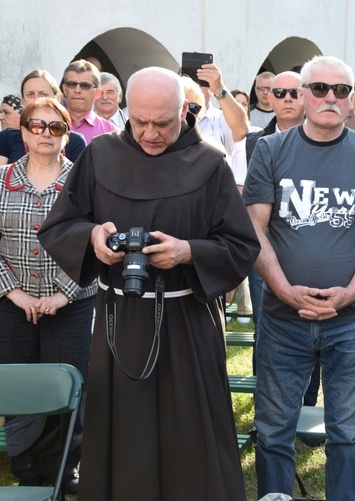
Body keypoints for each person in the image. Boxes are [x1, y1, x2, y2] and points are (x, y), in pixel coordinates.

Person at [37, 66, 259, 501]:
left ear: (185, 112)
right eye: (140, 122)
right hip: (121, 320)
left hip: (188, 322)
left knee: (190, 433)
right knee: (124, 432)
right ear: (126, 112)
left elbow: (241, 245)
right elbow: (59, 226)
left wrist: (189, 251)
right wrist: (92, 237)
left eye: (163, 123)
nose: (150, 134)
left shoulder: (210, 163)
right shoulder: (100, 156)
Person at [244, 55, 355, 500]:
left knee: (347, 433)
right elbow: (254, 228)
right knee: (273, 430)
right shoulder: (271, 151)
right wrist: (282, 290)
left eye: (342, 90)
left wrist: (350, 294)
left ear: (353, 100)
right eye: (319, 89)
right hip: (282, 316)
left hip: (350, 320)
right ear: (303, 95)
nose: (331, 97)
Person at [0, 98, 96, 495]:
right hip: (12, 305)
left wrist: (63, 295)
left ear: (66, 135)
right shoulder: (2, 182)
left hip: (70, 305)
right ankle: (26, 464)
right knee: (20, 385)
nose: (44, 134)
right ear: (21, 133)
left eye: (54, 128)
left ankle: (63, 464)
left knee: (69, 384)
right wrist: (14, 292)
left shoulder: (84, 185)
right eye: (36, 126)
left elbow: (95, 246)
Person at [241, 71, 305, 371]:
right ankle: (266, 404)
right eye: (280, 93)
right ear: (269, 97)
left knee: (308, 329)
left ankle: (306, 404)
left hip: (305, 246)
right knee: (266, 329)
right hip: (264, 246)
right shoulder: (254, 141)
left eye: (295, 92)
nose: (288, 99)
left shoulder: (324, 138)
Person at [0, 70, 87, 164]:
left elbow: (79, 177)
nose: (37, 99)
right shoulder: (7, 138)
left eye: (44, 94)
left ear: (57, 99)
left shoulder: (75, 142)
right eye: (30, 94)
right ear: (23, 101)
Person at [194, 62, 249, 157]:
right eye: (188, 83)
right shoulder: (173, 116)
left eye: (200, 83)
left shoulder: (221, 118)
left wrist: (219, 88)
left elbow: (242, 132)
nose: (194, 87)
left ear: (210, 90)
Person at [61, 59, 118, 143]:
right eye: (72, 84)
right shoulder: (51, 127)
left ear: (97, 93)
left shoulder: (111, 133)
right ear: (64, 89)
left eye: (85, 85)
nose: (77, 90)